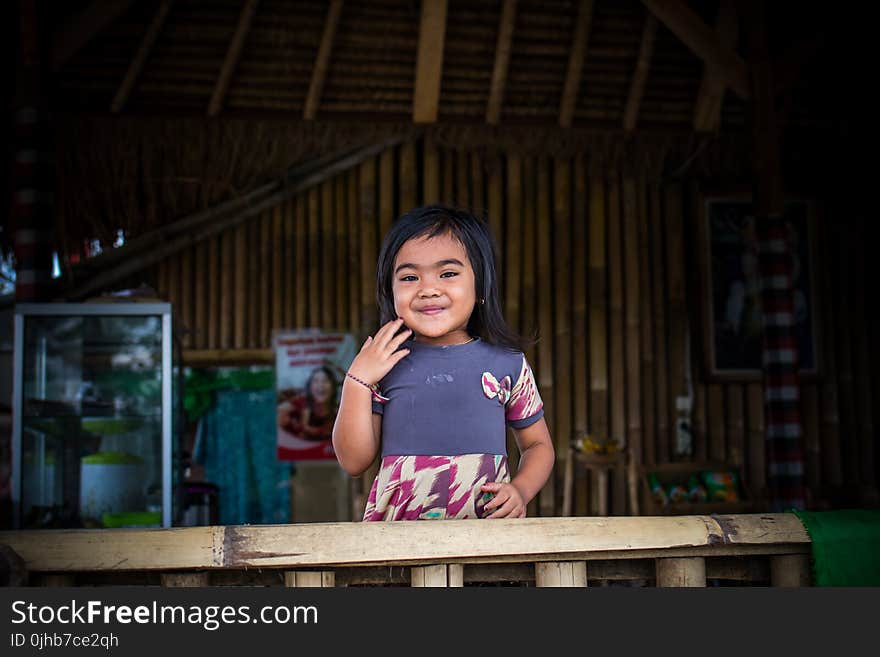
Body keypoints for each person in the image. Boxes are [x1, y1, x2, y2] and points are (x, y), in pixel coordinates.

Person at [332, 205, 554, 521]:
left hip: (485, 542)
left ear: (481, 287)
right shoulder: (383, 365)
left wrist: (520, 490)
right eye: (409, 277)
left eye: (448, 273)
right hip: (399, 548)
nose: (428, 289)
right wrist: (357, 380)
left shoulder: (509, 365)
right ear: (389, 291)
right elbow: (353, 462)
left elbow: (538, 446)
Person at [277, 365, 339, 443]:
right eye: (316, 381)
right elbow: (279, 411)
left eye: (325, 381)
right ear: (310, 387)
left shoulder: (339, 412)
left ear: (333, 387)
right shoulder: (300, 404)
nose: (321, 385)